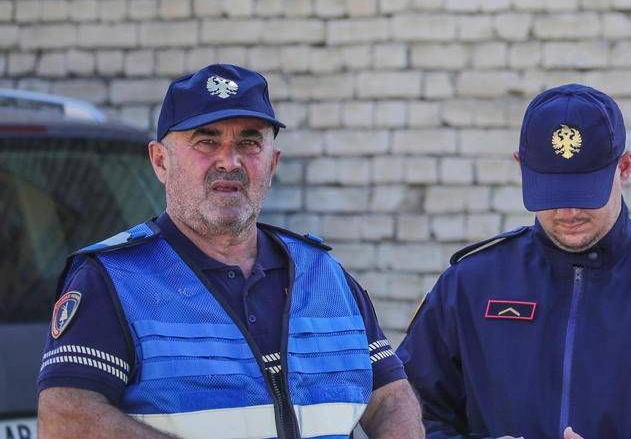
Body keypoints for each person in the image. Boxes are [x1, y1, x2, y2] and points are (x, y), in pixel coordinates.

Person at [36, 63, 424, 439]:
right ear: (160, 161)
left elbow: (391, 398)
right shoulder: (113, 279)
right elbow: (67, 420)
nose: (229, 160)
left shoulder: (324, 274)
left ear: (272, 164)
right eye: (207, 141)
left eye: (249, 142)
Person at [398, 83, 631, 439]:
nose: (568, 211)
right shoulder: (469, 284)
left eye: (585, 192)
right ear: (521, 167)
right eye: (552, 192)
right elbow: (406, 417)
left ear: (624, 167)